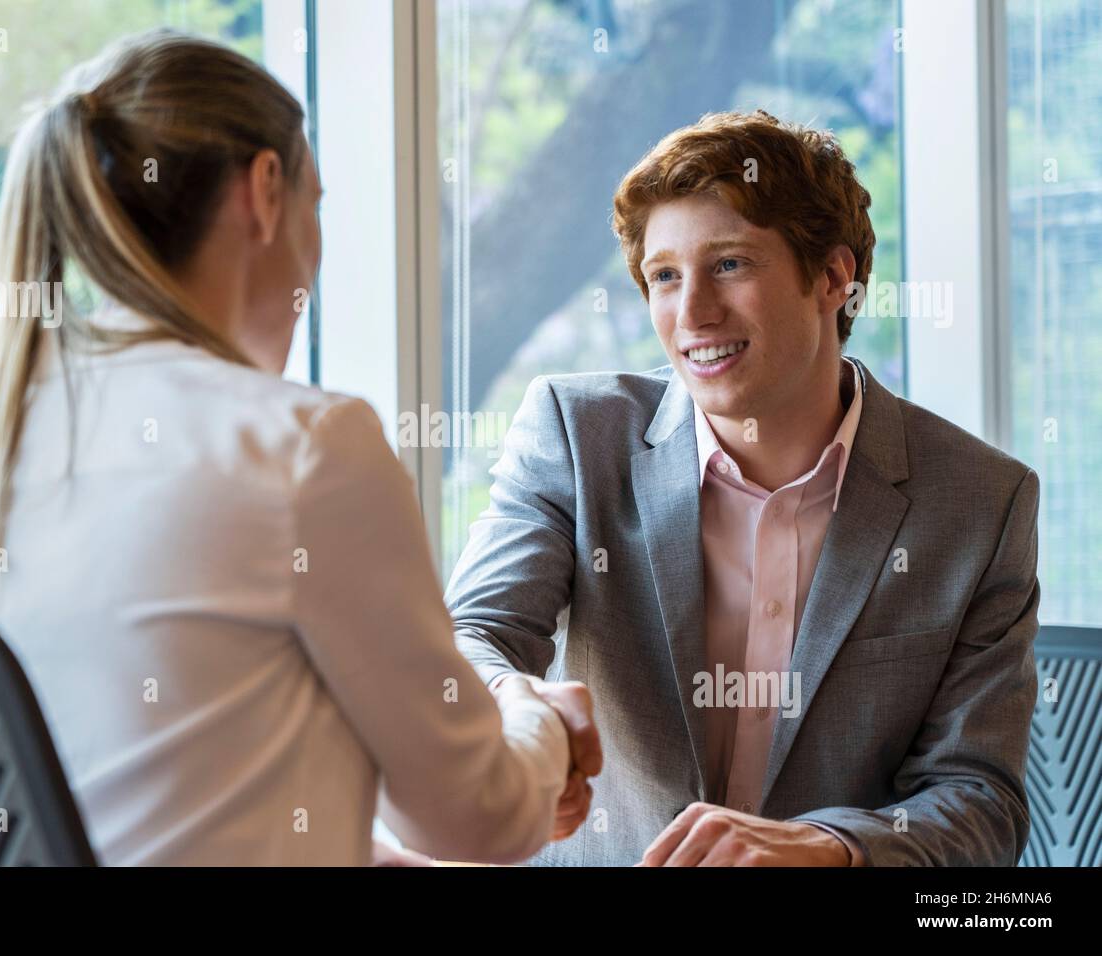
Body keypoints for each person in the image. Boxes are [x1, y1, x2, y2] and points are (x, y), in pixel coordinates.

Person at [0, 29, 598, 866]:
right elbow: (478, 818)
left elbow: (157, 806)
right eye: (316, 205)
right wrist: (539, 722)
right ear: (265, 192)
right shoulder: (304, 449)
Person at [446, 109, 1040, 867]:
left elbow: (978, 798)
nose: (691, 314)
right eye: (664, 276)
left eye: (729, 264)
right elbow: (474, 635)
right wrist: (514, 707)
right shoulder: (575, 434)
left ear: (831, 277)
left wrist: (825, 847)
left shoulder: (983, 502)